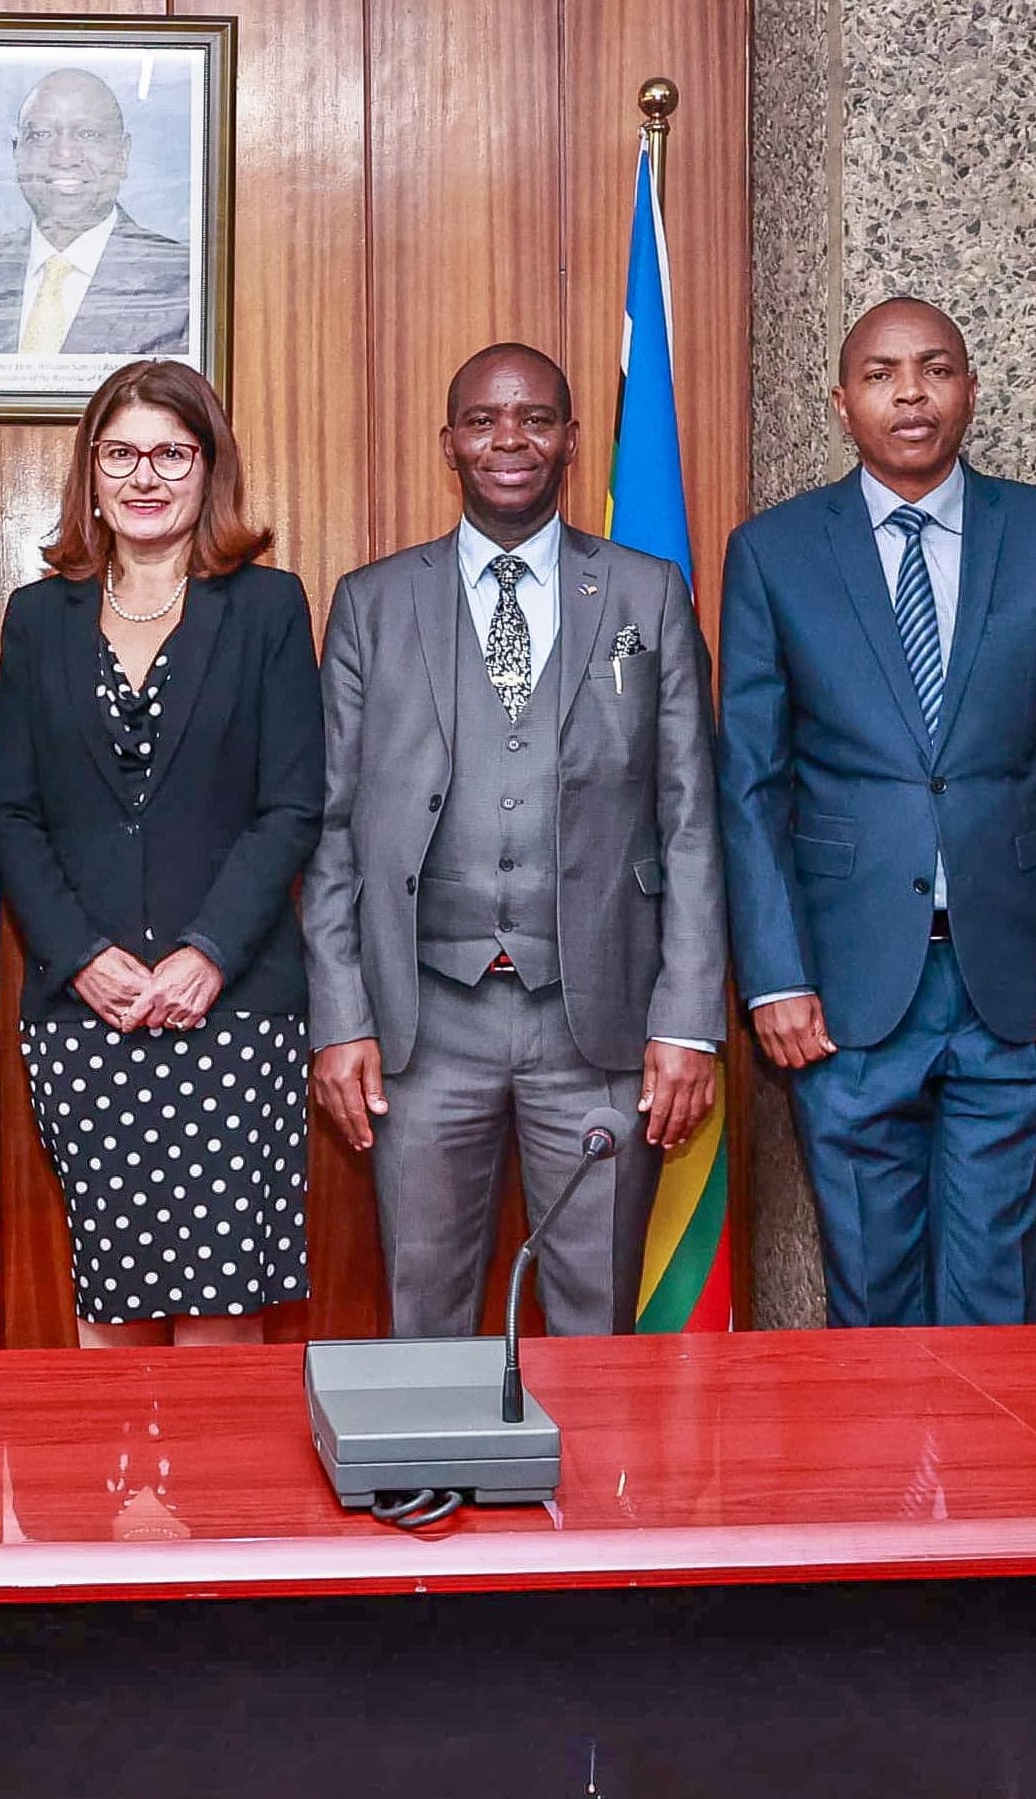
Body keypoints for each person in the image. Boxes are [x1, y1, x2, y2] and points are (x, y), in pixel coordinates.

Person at [720, 299, 1036, 1328]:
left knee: (998, 1290)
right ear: (841, 403)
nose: (910, 393)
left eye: (935, 368)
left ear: (970, 391)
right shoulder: (773, 552)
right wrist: (775, 974)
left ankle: (993, 1449)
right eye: (880, 374)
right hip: (843, 986)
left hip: (1018, 982)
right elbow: (752, 784)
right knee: (869, 1292)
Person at [300, 343, 724, 1339]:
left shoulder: (645, 593)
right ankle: (433, 1454)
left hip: (598, 1024)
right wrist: (340, 1020)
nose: (510, 440)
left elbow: (692, 820)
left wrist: (687, 1022)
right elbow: (331, 832)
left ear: (572, 440)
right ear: (447, 441)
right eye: (484, 420)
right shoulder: (371, 603)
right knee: (425, 1318)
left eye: (535, 418)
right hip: (421, 1027)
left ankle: (592, 1460)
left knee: (595, 1318)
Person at [0, 360, 322, 1346]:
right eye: (121, 453)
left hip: (233, 1012)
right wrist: (82, 957)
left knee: (221, 1320)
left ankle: (219, 1472)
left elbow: (291, 806)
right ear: (90, 471)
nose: (145, 476)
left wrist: (207, 952)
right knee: (114, 1313)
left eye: (172, 453)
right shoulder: (37, 618)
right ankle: (116, 1468)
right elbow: (9, 813)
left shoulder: (267, 607)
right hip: (86, 1016)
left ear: (209, 469)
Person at [0, 69, 196, 359]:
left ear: (123, 155)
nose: (64, 155)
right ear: (17, 153)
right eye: (42, 135)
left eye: (88, 134)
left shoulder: (183, 285)